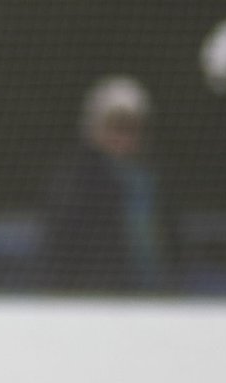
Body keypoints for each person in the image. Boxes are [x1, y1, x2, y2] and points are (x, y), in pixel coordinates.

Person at [38, 76, 169, 295]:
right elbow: (61, 246)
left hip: (153, 296)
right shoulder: (76, 181)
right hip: (99, 298)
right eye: (116, 126)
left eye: (131, 127)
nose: (124, 137)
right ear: (94, 127)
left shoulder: (153, 178)